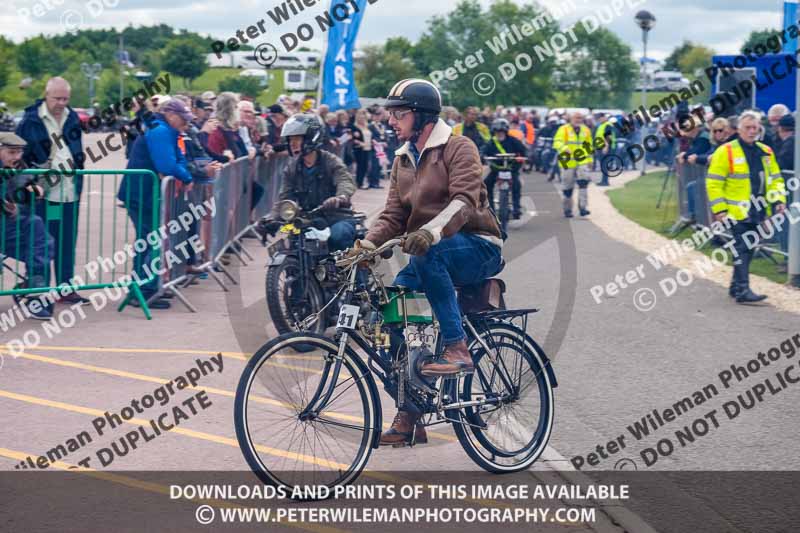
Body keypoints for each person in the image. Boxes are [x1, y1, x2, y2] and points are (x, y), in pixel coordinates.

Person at [351, 79, 504, 446]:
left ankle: (457, 346)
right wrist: (366, 246)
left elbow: (464, 201)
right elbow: (392, 214)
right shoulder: (404, 158)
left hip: (477, 245)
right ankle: (412, 411)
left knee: (429, 254)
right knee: (393, 307)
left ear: (421, 117)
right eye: (389, 113)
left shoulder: (458, 147)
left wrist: (430, 234)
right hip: (429, 250)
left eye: (398, 114)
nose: (391, 120)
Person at [119, 99, 212, 309]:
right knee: (152, 241)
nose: (186, 124)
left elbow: (177, 159)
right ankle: (144, 290)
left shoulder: (165, 129)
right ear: (170, 115)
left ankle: (145, 288)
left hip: (144, 192)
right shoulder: (160, 130)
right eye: (183, 119)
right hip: (142, 193)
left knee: (149, 240)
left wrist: (184, 174)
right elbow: (167, 164)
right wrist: (187, 177)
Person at [16, 76, 89, 305]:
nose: (61, 103)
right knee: (40, 243)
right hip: (41, 194)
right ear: (46, 95)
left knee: (67, 242)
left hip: (69, 192)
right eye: (57, 98)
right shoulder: (30, 120)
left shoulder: (72, 116)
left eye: (65, 98)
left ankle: (65, 289)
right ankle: (38, 290)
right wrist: (28, 181)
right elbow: (19, 156)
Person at [707, 111, 786, 304]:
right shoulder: (726, 151)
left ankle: (736, 286)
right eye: (748, 128)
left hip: (758, 209)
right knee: (743, 248)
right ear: (739, 130)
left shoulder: (765, 151)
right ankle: (743, 289)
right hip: (737, 211)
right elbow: (714, 182)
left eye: (755, 128)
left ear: (760, 129)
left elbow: (775, 179)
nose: (752, 131)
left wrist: (779, 200)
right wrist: (719, 209)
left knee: (748, 248)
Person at [258, 114, 357, 251]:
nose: (292, 143)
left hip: (337, 216)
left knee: (338, 237)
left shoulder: (331, 161)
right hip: (308, 218)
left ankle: (351, 271)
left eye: (297, 138)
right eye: (290, 139)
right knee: (293, 242)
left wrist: (340, 197)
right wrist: (271, 218)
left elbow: (345, 180)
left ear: (312, 138)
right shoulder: (292, 168)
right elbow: (285, 197)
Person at [1, 133, 55, 320]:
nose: (16, 157)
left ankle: (34, 290)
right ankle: (32, 289)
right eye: (11, 152)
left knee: (41, 237)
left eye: (19, 152)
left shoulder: (22, 170)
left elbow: (23, 208)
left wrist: (33, 193)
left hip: (10, 231)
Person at [481, 118, 527, 219]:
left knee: (516, 185)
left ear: (505, 131)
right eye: (497, 132)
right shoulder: (491, 142)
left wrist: (524, 157)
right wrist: (482, 156)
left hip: (511, 168)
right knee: (486, 184)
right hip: (496, 169)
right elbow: (483, 150)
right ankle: (490, 209)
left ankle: (516, 209)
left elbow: (523, 150)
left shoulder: (513, 141)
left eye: (501, 131)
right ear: (494, 132)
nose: (499, 134)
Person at [553, 111, 593, 217]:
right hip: (567, 161)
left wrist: (590, 159)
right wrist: (565, 148)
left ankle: (583, 207)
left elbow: (589, 145)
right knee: (567, 187)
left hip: (582, 160)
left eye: (580, 118)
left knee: (583, 182)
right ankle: (567, 209)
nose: (578, 120)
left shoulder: (586, 130)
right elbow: (556, 142)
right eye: (576, 118)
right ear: (571, 119)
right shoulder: (563, 129)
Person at [350, 109, 375, 189]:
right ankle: (359, 183)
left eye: (364, 117)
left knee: (365, 166)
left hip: (368, 148)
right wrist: (358, 142)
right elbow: (351, 138)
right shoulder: (354, 127)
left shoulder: (367, 126)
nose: (362, 119)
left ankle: (361, 182)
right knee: (360, 166)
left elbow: (370, 136)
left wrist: (373, 141)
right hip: (359, 148)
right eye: (361, 117)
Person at [594, 115, 617, 186]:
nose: (600, 119)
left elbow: (608, 137)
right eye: (599, 118)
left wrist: (606, 147)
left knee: (604, 165)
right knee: (603, 165)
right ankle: (603, 181)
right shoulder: (602, 125)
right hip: (601, 147)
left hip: (606, 147)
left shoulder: (607, 125)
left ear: (605, 118)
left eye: (601, 118)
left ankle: (605, 182)